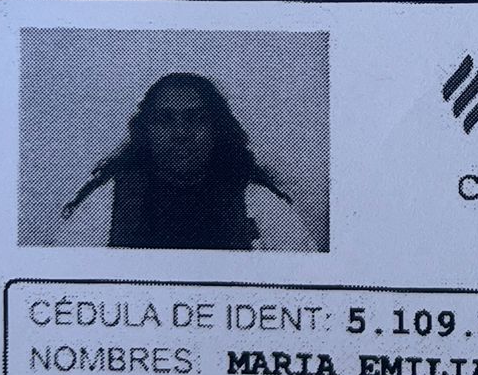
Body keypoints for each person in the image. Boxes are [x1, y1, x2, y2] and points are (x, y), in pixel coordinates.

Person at [57, 72, 318, 252]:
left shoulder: (256, 201)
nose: (180, 133)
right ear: (146, 131)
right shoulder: (111, 201)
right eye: (164, 120)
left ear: (216, 129)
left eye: (195, 119)